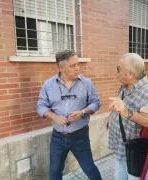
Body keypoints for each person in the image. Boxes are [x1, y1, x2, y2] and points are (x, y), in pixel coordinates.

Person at [36, 49, 102, 180]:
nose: (77, 68)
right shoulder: (48, 84)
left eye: (78, 64)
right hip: (58, 137)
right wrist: (54, 116)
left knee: (89, 168)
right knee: (54, 172)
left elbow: (96, 103)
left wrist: (83, 112)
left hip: (80, 136)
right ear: (61, 67)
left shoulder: (86, 83)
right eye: (73, 66)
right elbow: (40, 106)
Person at [108, 53, 148, 180]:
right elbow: (120, 106)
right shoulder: (125, 85)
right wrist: (111, 117)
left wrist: (127, 112)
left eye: (118, 68)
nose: (116, 71)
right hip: (121, 149)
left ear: (131, 74)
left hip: (134, 153)